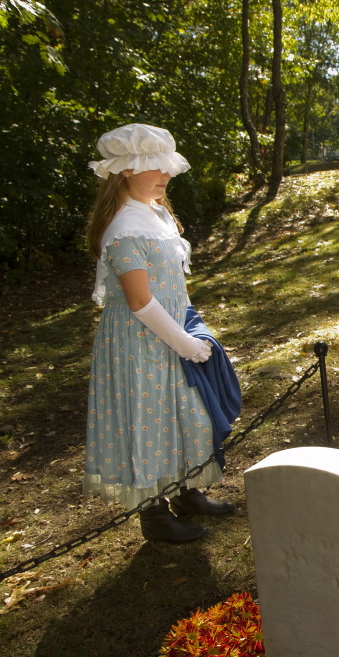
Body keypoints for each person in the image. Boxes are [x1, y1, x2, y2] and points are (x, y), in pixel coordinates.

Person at [84, 124, 234, 543]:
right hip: (139, 341)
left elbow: (172, 287)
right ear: (125, 171)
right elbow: (139, 301)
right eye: (154, 166)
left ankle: (187, 492)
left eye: (166, 165)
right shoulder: (124, 228)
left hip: (167, 332)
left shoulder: (154, 214)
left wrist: (189, 325)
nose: (165, 173)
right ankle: (154, 516)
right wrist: (184, 342)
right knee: (147, 420)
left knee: (182, 413)